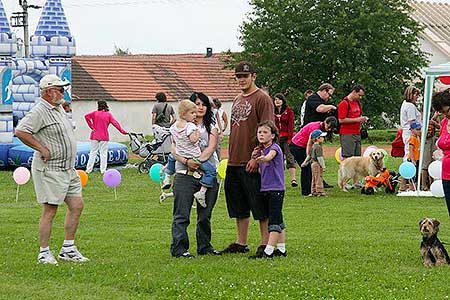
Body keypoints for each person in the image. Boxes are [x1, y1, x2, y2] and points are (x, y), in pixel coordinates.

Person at [15, 74, 89, 264]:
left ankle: (68, 249)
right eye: (60, 89)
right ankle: (44, 252)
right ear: (48, 91)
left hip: (68, 168)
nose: (64, 92)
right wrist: (41, 148)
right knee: (50, 210)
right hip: (50, 168)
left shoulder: (58, 109)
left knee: (77, 205)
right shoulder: (39, 111)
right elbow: (21, 131)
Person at [222, 61, 274, 256]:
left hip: (252, 160)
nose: (242, 79)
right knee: (238, 205)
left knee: (259, 205)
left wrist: (257, 156)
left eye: (245, 76)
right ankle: (241, 242)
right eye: (238, 76)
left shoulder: (262, 98)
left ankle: (265, 243)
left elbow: (268, 130)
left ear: (254, 76)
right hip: (234, 159)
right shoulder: (237, 99)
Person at [169, 92, 220, 258]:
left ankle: (204, 246)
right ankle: (179, 248)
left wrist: (197, 161)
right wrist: (186, 160)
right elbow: (173, 149)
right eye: (197, 104)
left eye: (204, 104)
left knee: (205, 215)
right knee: (181, 214)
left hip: (206, 172)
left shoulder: (211, 128)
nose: (200, 107)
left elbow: (211, 148)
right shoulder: (179, 127)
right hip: (185, 173)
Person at [162, 100, 217, 207]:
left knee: (171, 158)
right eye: (192, 113)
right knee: (211, 171)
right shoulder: (191, 126)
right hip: (194, 156)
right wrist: (197, 134)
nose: (195, 115)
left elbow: (174, 142)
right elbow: (193, 140)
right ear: (184, 114)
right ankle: (202, 192)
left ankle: (167, 176)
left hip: (180, 154)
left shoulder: (174, 127)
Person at [249, 121, 287, 259]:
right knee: (279, 219)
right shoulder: (261, 150)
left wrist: (264, 158)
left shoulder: (274, 148)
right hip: (267, 188)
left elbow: (270, 156)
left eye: (265, 132)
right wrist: (255, 157)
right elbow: (261, 170)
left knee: (274, 221)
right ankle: (282, 250)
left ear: (272, 135)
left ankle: (268, 251)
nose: (261, 135)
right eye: (259, 132)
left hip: (276, 189)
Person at [289, 116, 338, 196]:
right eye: (329, 127)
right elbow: (309, 144)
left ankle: (314, 190)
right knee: (306, 168)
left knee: (311, 169)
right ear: (325, 122)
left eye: (331, 129)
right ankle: (306, 192)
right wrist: (309, 157)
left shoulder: (321, 130)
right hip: (297, 146)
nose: (329, 130)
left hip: (303, 146)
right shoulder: (315, 128)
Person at [337, 84, 369, 188]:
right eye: (359, 95)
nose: (360, 97)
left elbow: (357, 116)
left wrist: (362, 119)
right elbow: (341, 119)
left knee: (357, 158)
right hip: (347, 133)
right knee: (348, 158)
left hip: (356, 132)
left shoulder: (357, 103)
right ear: (354, 92)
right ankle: (344, 182)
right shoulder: (344, 103)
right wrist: (357, 119)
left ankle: (356, 182)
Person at [84, 100, 128, 174]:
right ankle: (103, 170)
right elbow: (115, 123)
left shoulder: (94, 113)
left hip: (94, 135)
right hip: (104, 136)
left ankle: (88, 170)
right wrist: (122, 131)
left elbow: (86, 117)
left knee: (93, 152)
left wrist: (91, 127)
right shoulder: (108, 115)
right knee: (103, 153)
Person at [399, 86, 421, 191]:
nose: (417, 97)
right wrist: (418, 132)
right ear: (411, 95)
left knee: (407, 156)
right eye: (416, 95)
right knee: (409, 157)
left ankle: (404, 184)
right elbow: (413, 122)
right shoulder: (410, 107)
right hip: (410, 133)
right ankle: (405, 184)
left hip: (406, 132)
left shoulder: (404, 104)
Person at [273, 93, 297, 187]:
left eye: (279, 99)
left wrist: (290, 138)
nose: (277, 101)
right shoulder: (272, 111)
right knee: (278, 159)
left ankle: (293, 180)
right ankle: (279, 180)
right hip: (276, 138)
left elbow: (291, 125)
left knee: (290, 157)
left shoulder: (289, 111)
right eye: (275, 100)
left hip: (286, 137)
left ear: (283, 101)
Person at [432, 89, 450, 217]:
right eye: (443, 112)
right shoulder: (444, 123)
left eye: (448, 110)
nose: (446, 114)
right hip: (447, 175)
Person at [309, 129, 327, 196]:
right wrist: (323, 166)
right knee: (319, 177)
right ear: (317, 138)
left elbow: (309, 155)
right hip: (317, 164)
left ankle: (313, 190)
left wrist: (305, 162)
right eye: (322, 137)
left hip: (313, 164)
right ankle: (319, 191)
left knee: (314, 177)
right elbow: (320, 158)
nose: (323, 138)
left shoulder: (313, 146)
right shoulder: (318, 147)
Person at [407, 122, 422, 191]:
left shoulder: (417, 137)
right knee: (412, 174)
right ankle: (411, 187)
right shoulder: (412, 138)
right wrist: (413, 160)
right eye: (417, 129)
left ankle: (414, 187)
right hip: (413, 159)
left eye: (420, 129)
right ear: (412, 130)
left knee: (416, 174)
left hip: (417, 158)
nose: (419, 131)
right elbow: (411, 149)